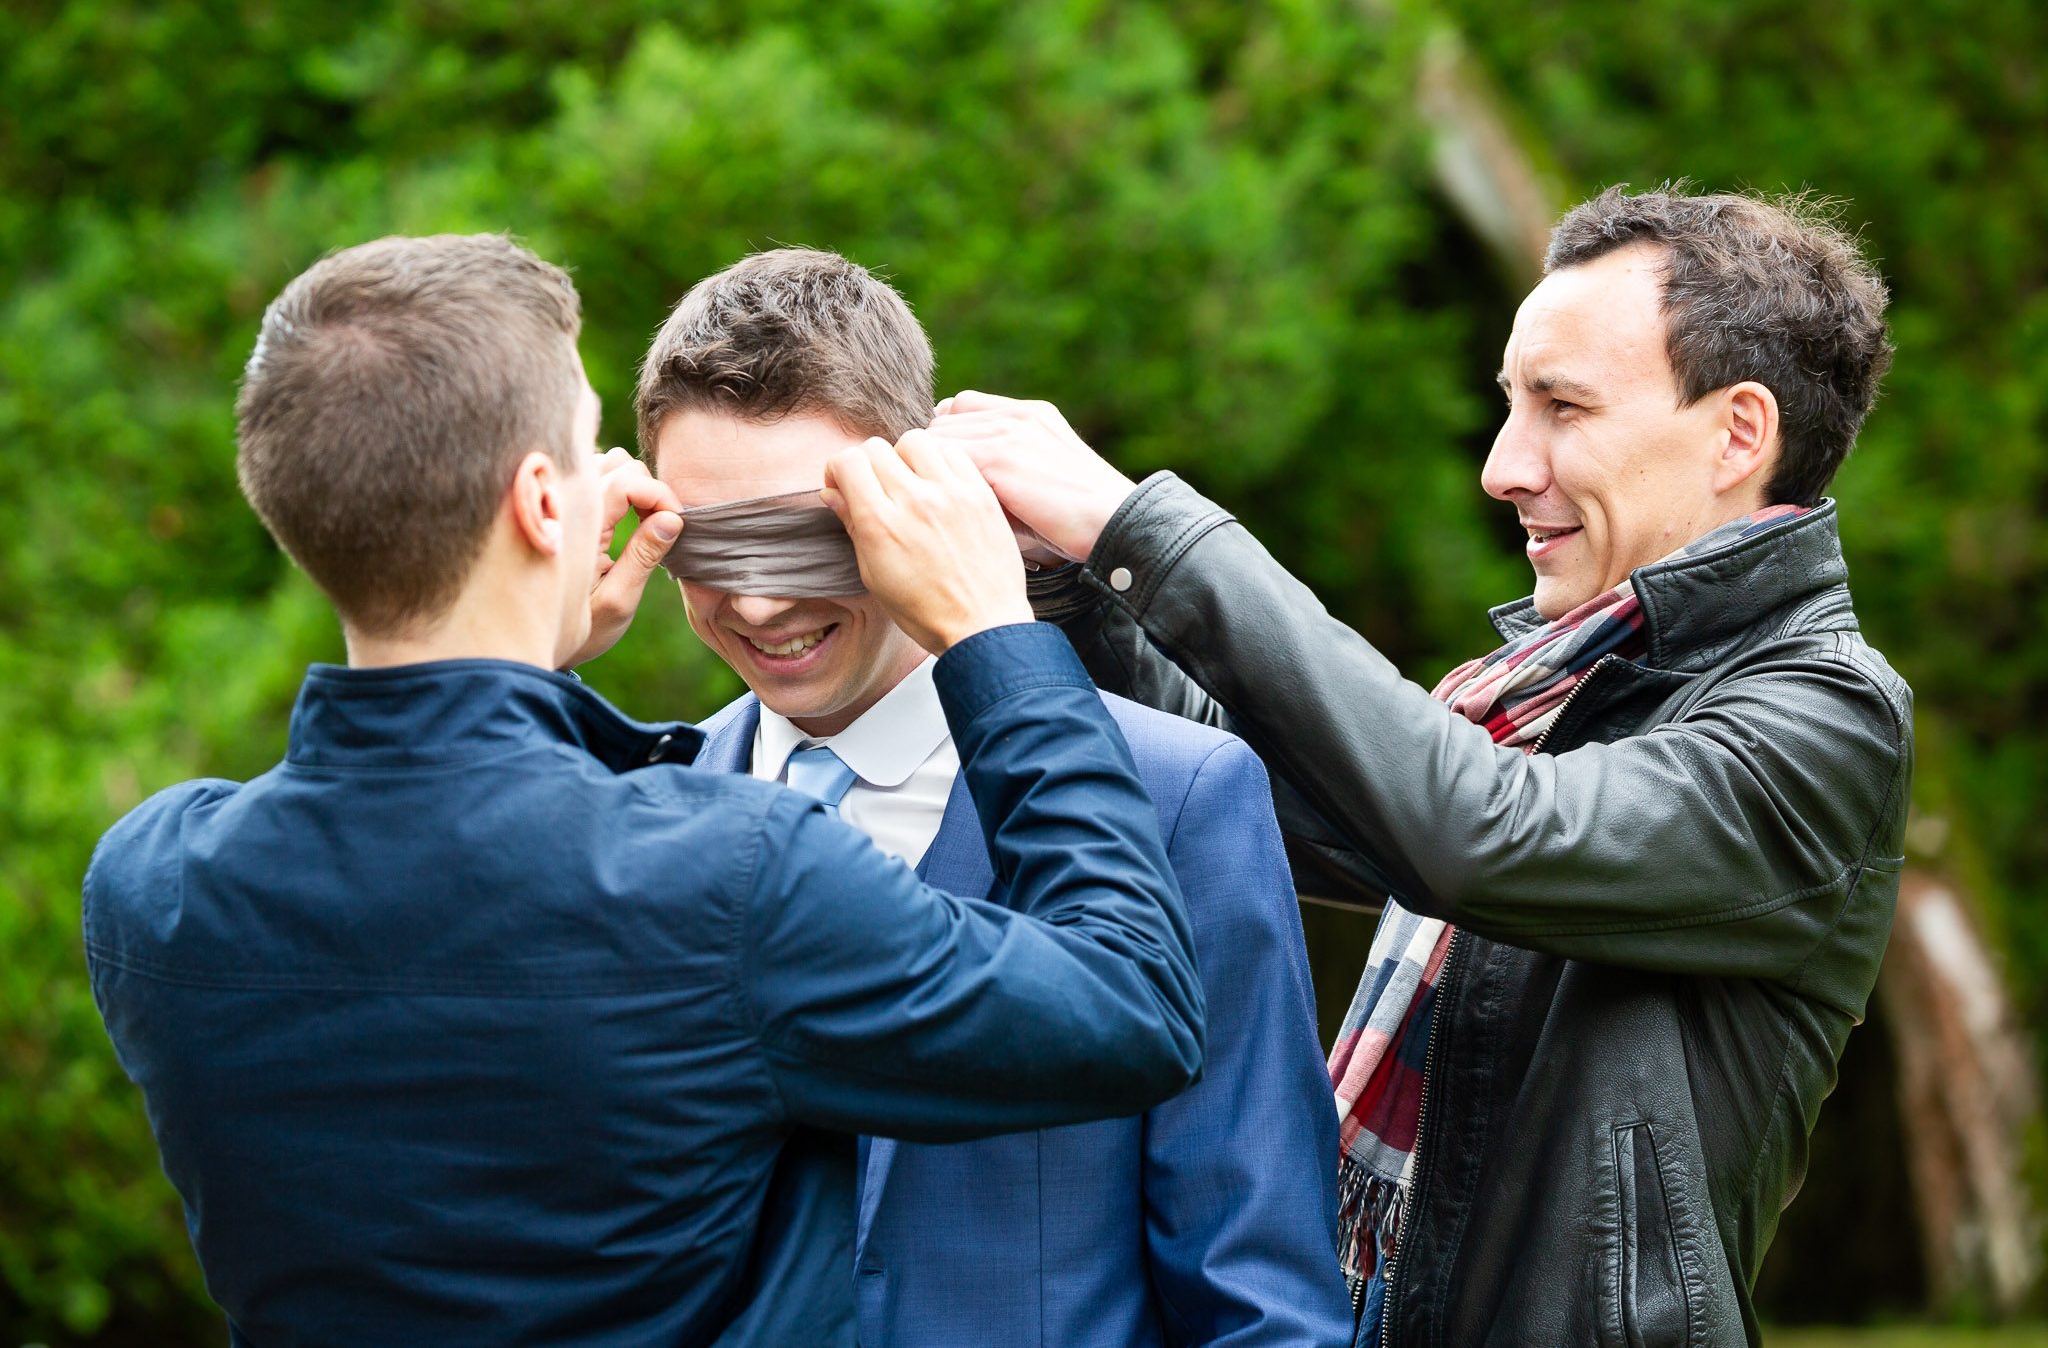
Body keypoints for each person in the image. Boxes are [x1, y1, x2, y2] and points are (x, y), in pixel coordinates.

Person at [81, 233, 1209, 1347]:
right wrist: (990, 629)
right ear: (539, 502)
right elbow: (1131, 1000)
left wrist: (519, 655)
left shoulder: (150, 888)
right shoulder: (731, 876)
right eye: (586, 450)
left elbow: (441, 858)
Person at [935, 186, 1913, 1347]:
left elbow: (1476, 833)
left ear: (1736, 433)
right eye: (1511, 406)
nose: (1503, 466)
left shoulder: (1827, 714)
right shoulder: (1553, 688)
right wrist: (1065, 584)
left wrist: (1141, 529)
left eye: (1561, 408)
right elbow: (1252, 795)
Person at [636, 248, 1352, 1347]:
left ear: (917, 500)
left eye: (803, 533)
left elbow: (1261, 1309)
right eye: (714, 543)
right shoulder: (624, 820)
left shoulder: (1175, 799)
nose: (756, 596)